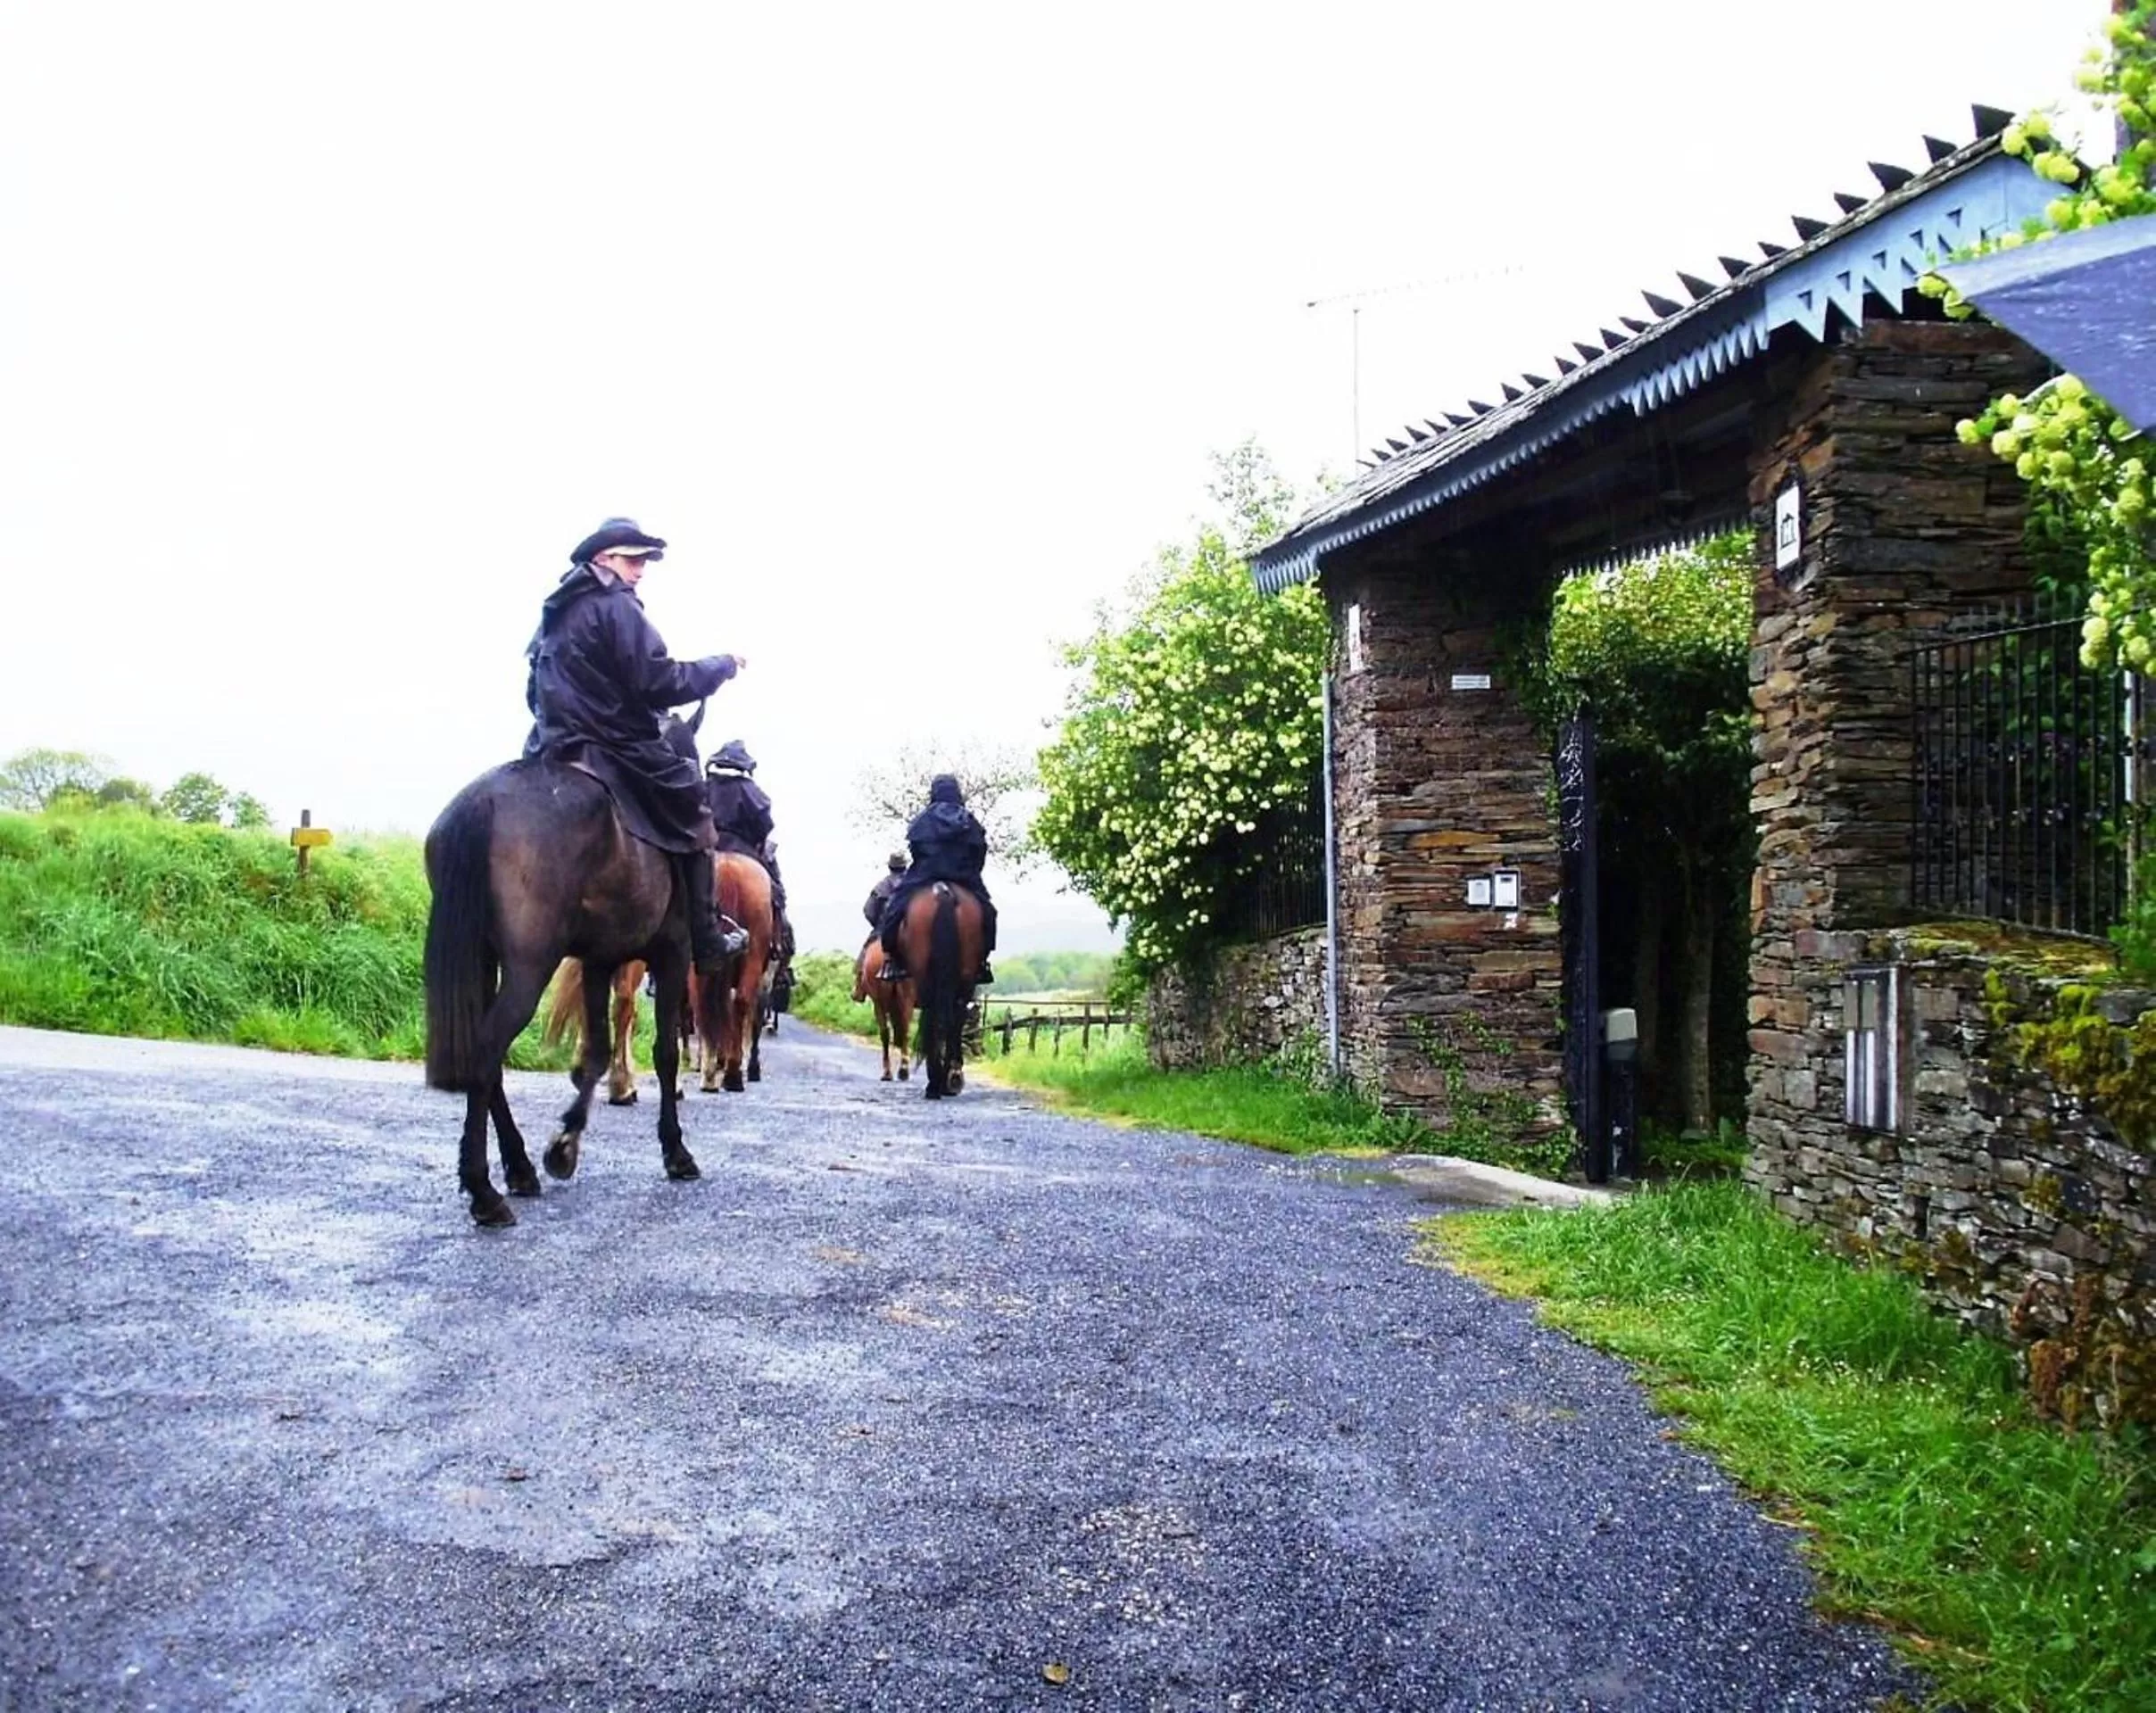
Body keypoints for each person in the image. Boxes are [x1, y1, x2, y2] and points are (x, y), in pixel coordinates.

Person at [523, 517, 748, 973]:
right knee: (693, 804)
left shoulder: (553, 613)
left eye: (644, 561)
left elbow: (533, 690)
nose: (641, 569)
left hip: (551, 745)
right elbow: (660, 681)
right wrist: (720, 666)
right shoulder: (616, 606)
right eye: (633, 559)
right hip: (611, 745)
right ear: (602, 559)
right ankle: (705, 936)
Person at [877, 774, 997, 983]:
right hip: (963, 876)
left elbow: (915, 848)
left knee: (894, 909)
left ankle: (891, 960)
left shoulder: (923, 819)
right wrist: (970, 871)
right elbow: (979, 851)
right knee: (988, 912)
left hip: (925, 875)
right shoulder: (969, 820)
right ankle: (982, 963)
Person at [861, 849, 908, 932]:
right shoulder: (916, 883)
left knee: (871, 943)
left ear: (890, 867)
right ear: (905, 866)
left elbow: (868, 910)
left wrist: (878, 925)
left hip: (886, 928)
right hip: (913, 928)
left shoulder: (881, 887)